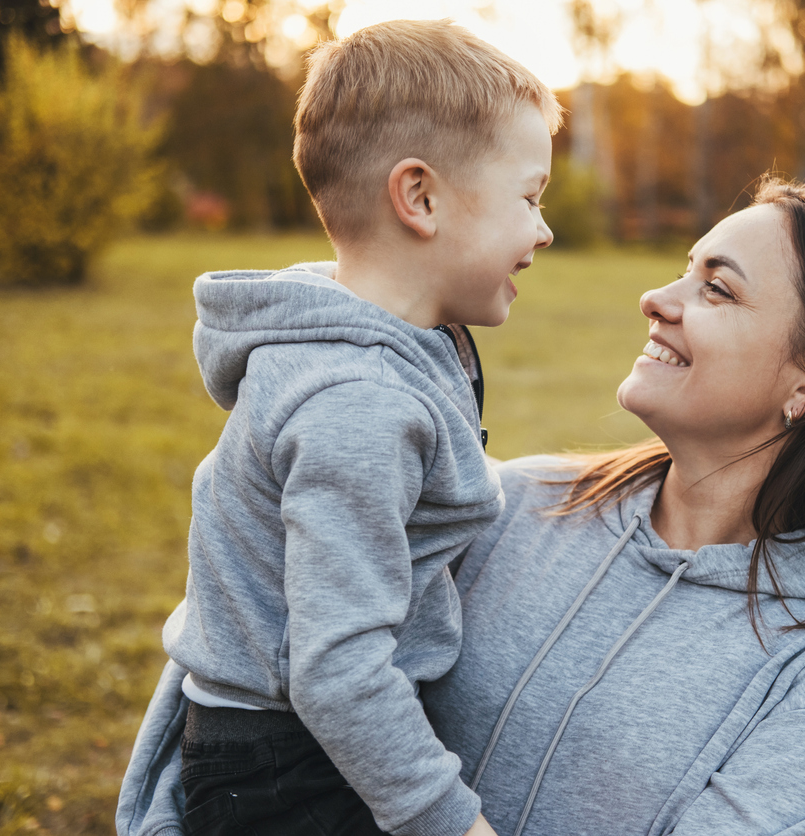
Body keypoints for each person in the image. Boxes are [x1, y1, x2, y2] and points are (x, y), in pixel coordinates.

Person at [120, 177, 805, 835]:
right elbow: (241, 652)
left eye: (718, 290)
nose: (656, 299)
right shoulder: (508, 502)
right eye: (682, 270)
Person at [117, 20, 562, 836]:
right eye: (529, 198)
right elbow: (336, 670)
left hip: (298, 743)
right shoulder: (358, 400)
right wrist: (452, 822)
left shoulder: (392, 348)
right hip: (292, 771)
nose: (543, 230)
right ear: (419, 198)